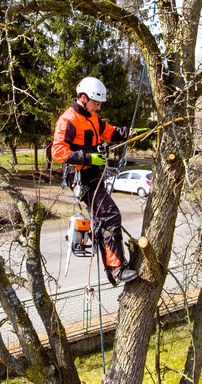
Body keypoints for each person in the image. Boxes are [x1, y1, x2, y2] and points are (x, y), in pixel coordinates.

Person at [52, 76, 139, 284]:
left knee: (104, 219)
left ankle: (114, 268)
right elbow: (58, 151)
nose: (98, 108)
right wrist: (88, 157)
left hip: (94, 175)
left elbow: (109, 131)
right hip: (81, 177)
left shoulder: (92, 118)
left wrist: (129, 133)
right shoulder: (68, 120)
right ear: (83, 98)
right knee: (110, 216)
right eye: (96, 103)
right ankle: (116, 269)